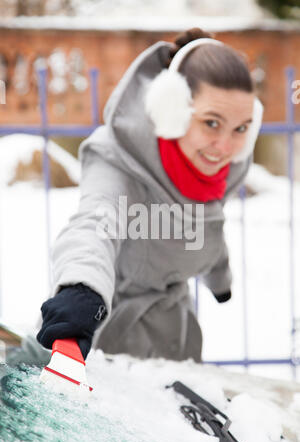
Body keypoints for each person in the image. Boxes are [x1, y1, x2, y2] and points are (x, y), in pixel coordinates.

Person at [37, 28, 263, 363]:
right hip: (103, 341)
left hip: (176, 340)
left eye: (241, 128)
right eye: (212, 123)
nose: (226, 147)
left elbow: (208, 224)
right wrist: (81, 290)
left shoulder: (216, 169)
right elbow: (95, 224)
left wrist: (220, 278)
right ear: (171, 110)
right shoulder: (119, 159)